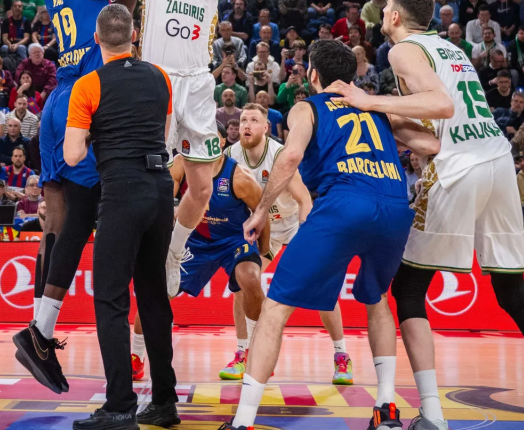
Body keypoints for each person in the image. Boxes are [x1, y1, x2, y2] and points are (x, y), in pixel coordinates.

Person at [84, 0, 349, 297]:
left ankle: (173, 248)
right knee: (157, 181)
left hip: (200, 82)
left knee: (203, 187)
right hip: (158, 80)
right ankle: (137, 250)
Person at [336, 0, 524, 430]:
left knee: (409, 290)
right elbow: (433, 127)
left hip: (459, 169)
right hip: (496, 162)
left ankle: (432, 416)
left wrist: (366, 101)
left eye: (386, 8)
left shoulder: (402, 51)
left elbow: (441, 105)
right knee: (513, 293)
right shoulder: (449, 49)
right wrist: (390, 119)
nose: (382, 14)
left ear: (395, 17)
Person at [223, 39, 438, 430]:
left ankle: (243, 422)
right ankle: (387, 408)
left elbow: (289, 158)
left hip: (344, 203)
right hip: (393, 207)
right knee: (377, 302)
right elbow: (431, 144)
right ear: (354, 75)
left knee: (275, 310)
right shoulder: (377, 107)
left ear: (313, 75)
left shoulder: (308, 106)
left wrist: (259, 211)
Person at [14, 0, 149, 395]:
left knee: (59, 218)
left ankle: (41, 328)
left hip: (57, 101)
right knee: (89, 212)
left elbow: (112, 18)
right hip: (85, 98)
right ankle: (41, 332)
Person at [59, 4, 178, 430]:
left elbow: (73, 155)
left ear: (95, 39)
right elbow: (162, 136)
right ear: (135, 35)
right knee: (153, 296)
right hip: (160, 189)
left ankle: (119, 406)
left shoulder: (88, 85)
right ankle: (164, 402)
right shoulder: (160, 76)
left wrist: (96, 129)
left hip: (122, 188)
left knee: (110, 298)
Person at [226, 105, 354, 385]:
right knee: (243, 281)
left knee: (323, 288)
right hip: (264, 230)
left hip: (293, 224)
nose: (246, 125)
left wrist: (308, 236)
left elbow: (304, 200)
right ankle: (243, 353)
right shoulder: (231, 156)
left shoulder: (280, 155)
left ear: (266, 127)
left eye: (254, 120)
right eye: (243, 120)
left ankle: (341, 355)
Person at [166, 150, 268, 381]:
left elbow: (261, 212)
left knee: (250, 279)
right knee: (159, 290)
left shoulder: (239, 177)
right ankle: (137, 356)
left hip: (233, 239)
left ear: (220, 143)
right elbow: (166, 198)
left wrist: (262, 249)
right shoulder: (182, 163)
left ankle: (255, 352)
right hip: (195, 240)